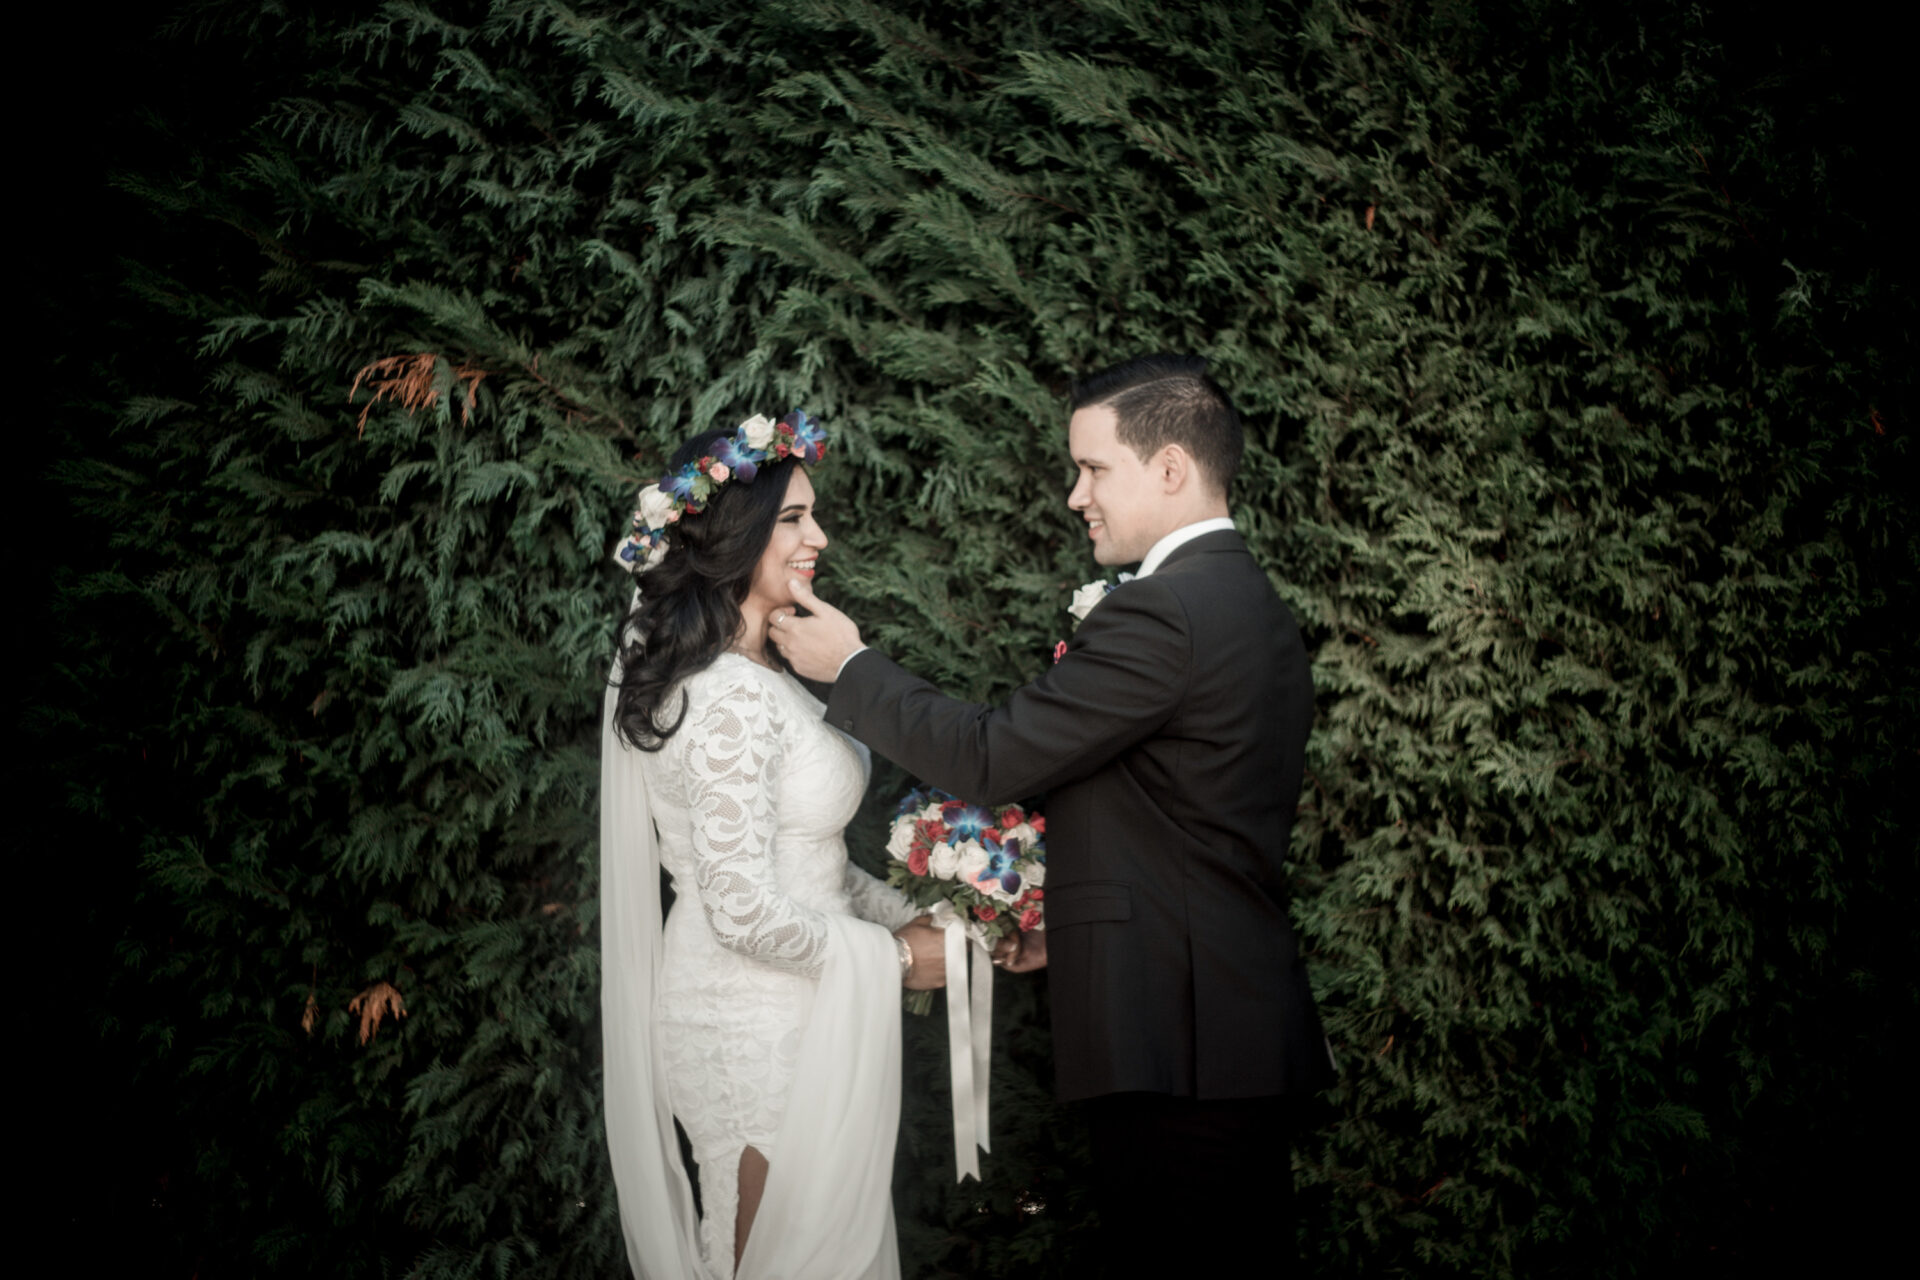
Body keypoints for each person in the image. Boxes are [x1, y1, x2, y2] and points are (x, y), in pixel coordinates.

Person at [769, 356, 1335, 1270]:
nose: (1077, 496)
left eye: (1093, 468)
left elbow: (996, 756)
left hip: (1180, 1039)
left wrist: (852, 667)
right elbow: (1179, 818)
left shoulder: (1168, 611)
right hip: (1217, 1022)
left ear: (1171, 468)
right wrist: (1065, 919)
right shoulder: (1244, 598)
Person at [598, 412, 949, 1280]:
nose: (818, 538)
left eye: (811, 516)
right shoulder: (726, 697)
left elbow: (814, 866)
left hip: (805, 1004)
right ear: (733, 536)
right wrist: (899, 958)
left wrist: (940, 917)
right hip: (748, 1020)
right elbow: (742, 910)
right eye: (794, 518)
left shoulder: (769, 678)